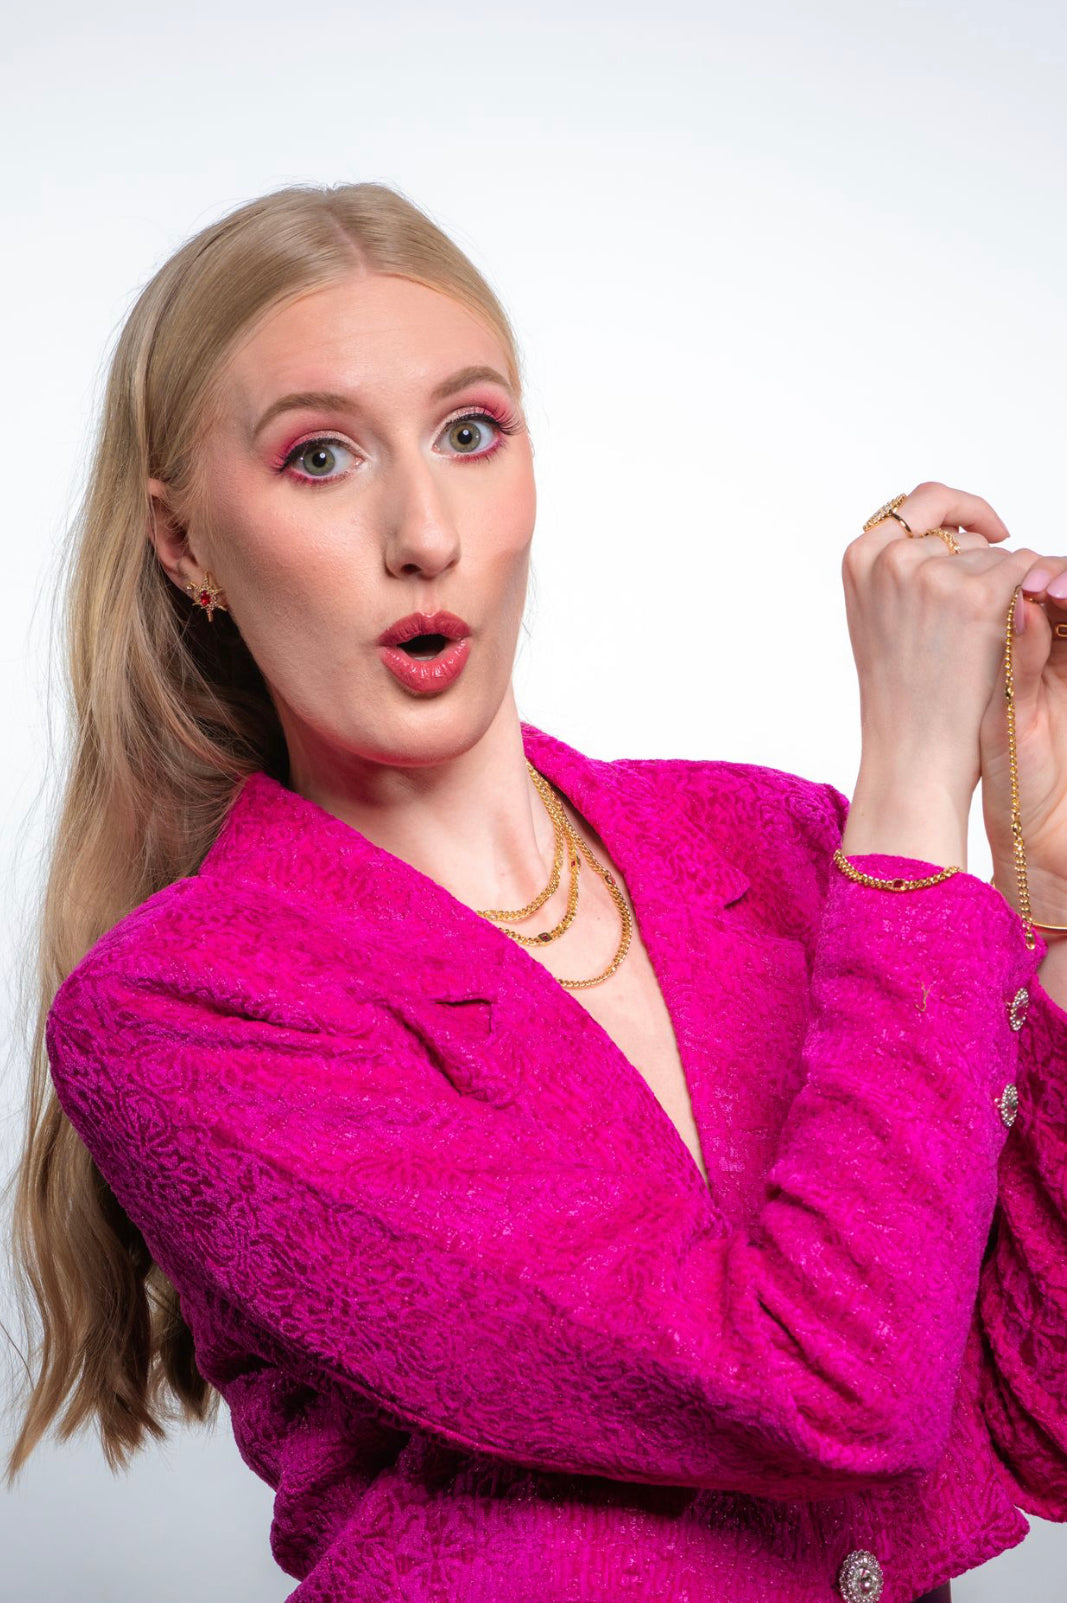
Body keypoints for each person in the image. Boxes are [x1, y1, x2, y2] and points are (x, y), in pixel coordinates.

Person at [5, 181, 1067, 1603]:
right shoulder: (184, 1015)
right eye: (319, 457)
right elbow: (832, 1384)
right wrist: (919, 792)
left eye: (469, 431)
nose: (426, 532)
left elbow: (1032, 1418)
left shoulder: (772, 843)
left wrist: (1047, 902)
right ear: (186, 544)